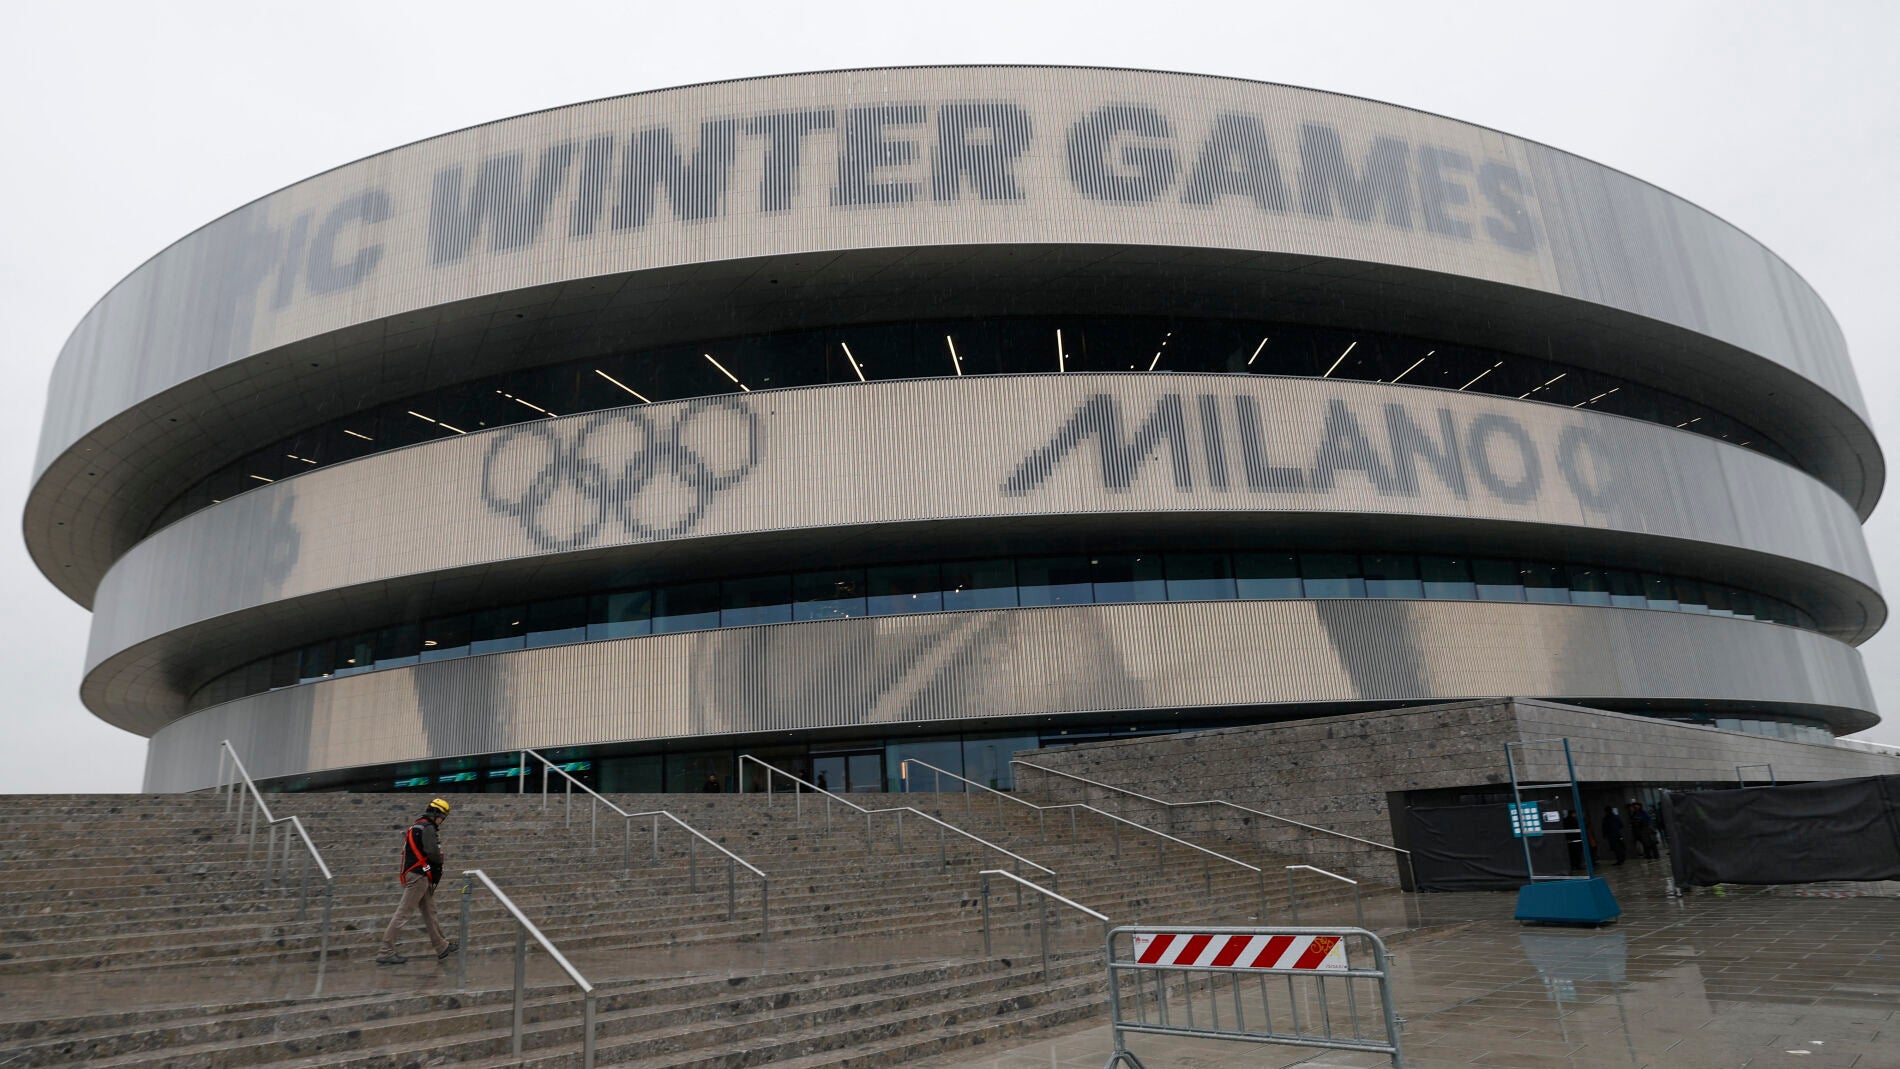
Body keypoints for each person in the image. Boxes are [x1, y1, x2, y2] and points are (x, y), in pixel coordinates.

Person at [377, 798, 456, 965]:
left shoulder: (417, 825)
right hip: (419, 875)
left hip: (418, 874)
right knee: (403, 913)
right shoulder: (427, 828)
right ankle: (385, 951)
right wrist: (439, 861)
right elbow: (432, 852)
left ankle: (441, 946)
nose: (442, 821)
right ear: (435, 813)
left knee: (430, 911)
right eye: (442, 817)